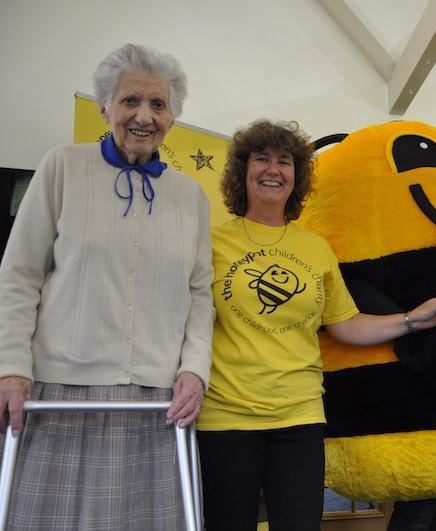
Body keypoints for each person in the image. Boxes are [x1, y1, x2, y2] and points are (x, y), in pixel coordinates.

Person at [195, 119, 436, 531]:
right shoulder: (211, 244)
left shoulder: (315, 247)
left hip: (300, 418)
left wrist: (412, 320)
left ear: (296, 176)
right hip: (227, 419)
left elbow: (346, 324)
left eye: (285, 161)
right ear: (243, 170)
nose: (273, 170)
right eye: (262, 159)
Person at [0, 43, 213, 528]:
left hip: (157, 402)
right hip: (59, 395)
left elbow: (200, 295)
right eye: (130, 100)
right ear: (105, 108)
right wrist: (11, 368)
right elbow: (19, 276)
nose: (144, 116)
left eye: (158, 104)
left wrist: (194, 371)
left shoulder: (190, 196)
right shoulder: (62, 166)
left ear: (172, 116)